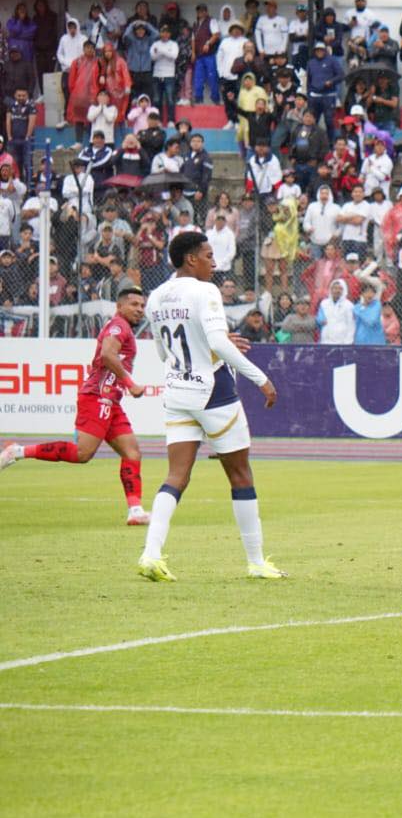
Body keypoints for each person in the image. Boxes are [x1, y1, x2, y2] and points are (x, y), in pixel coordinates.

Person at [135, 231, 281, 582]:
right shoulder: (205, 291)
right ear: (191, 259)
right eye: (208, 255)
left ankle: (150, 554)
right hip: (214, 390)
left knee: (176, 476)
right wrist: (259, 377)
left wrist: (203, 349)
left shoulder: (155, 297)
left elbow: (162, 351)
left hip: (177, 391)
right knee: (240, 474)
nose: (214, 263)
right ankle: (256, 561)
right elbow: (216, 341)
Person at [1, 283, 151, 524]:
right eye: (134, 304)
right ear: (119, 306)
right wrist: (130, 383)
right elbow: (107, 355)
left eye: (142, 305)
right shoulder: (117, 326)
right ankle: (18, 451)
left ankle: (135, 511)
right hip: (97, 397)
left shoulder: (123, 328)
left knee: (132, 451)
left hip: (111, 400)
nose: (139, 309)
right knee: (83, 454)